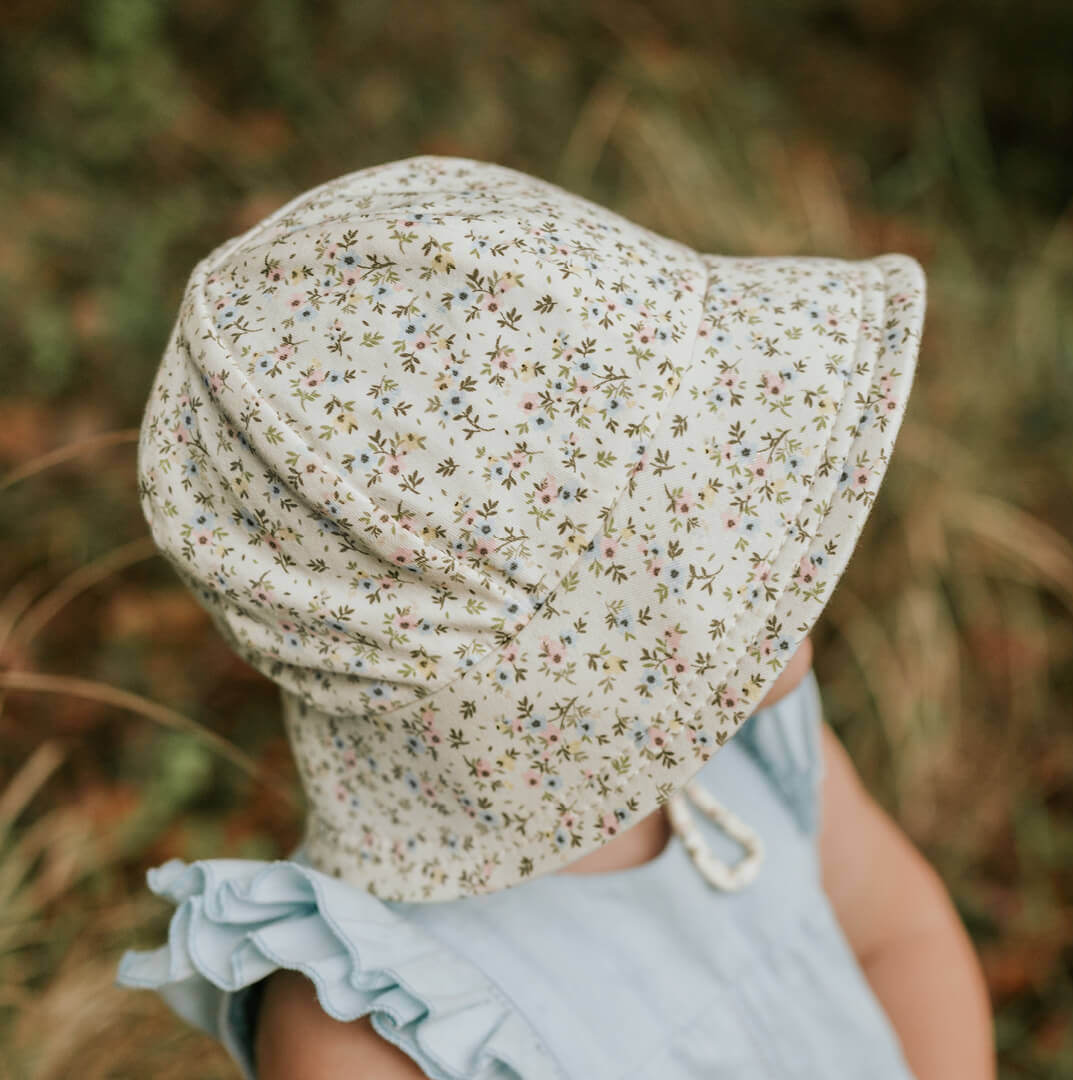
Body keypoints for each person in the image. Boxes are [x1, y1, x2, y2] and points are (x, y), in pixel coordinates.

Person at [115, 155, 995, 1079]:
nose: (792, 584)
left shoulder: (737, 756)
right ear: (563, 667)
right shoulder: (367, 1023)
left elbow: (901, 934)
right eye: (722, 556)